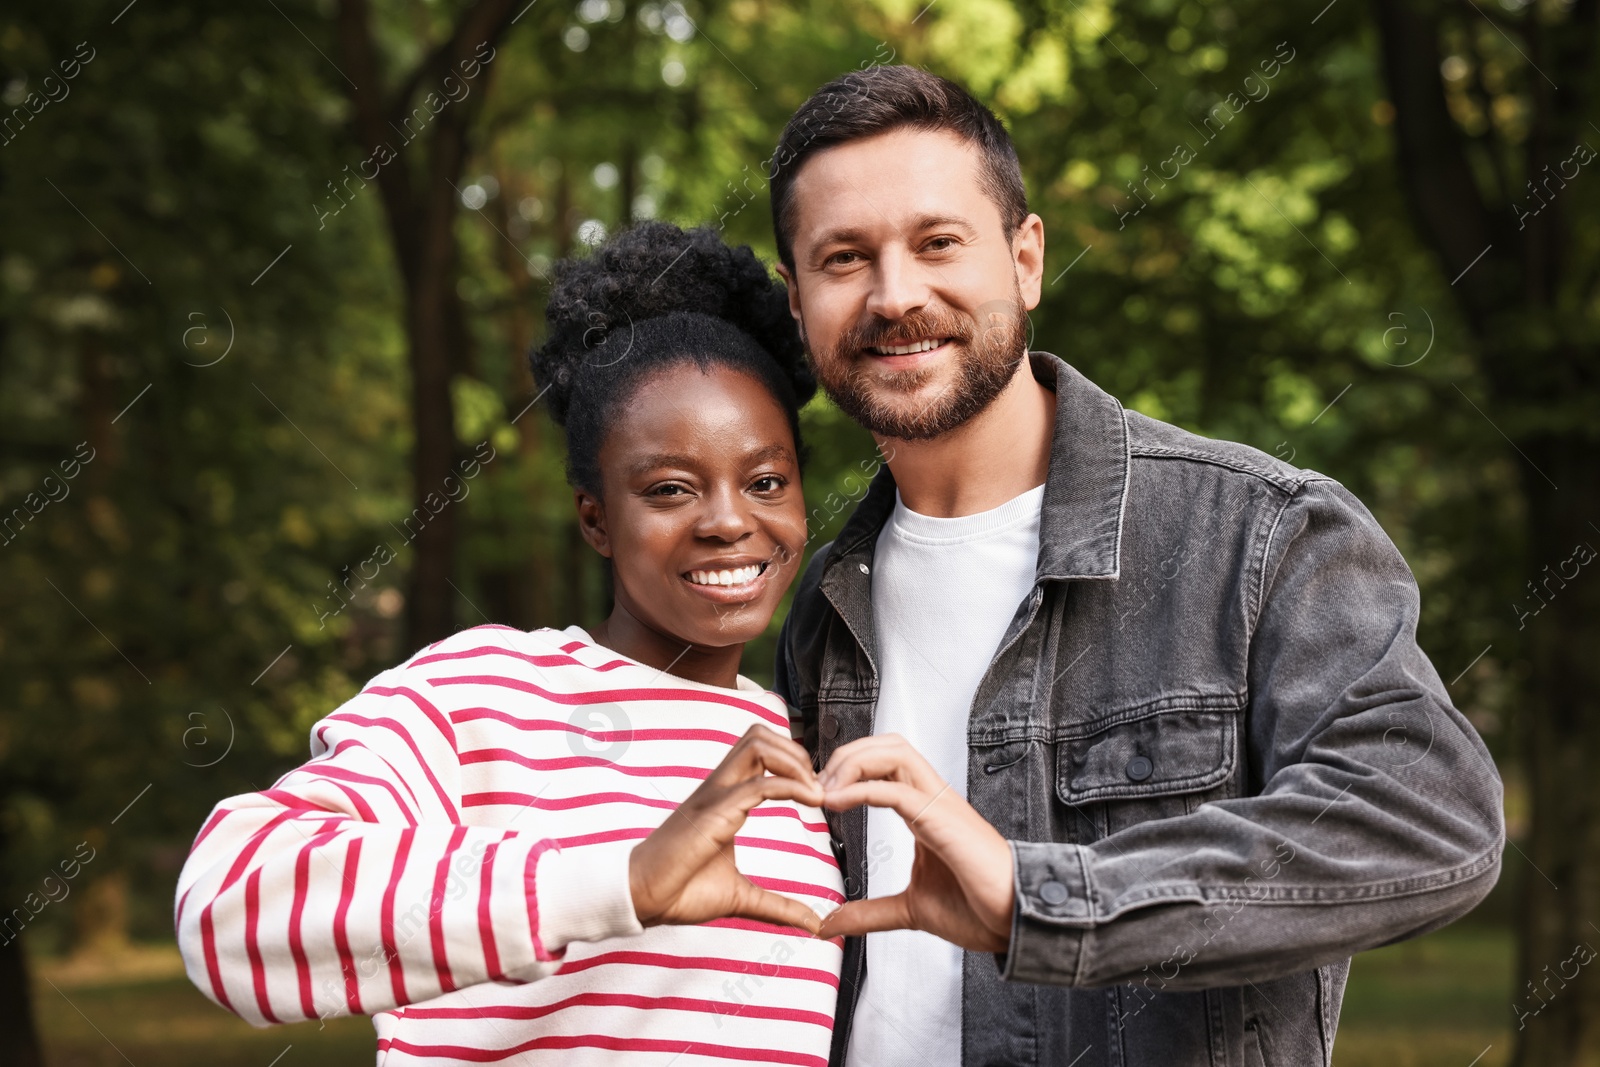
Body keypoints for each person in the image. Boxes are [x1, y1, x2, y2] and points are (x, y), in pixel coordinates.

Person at [768, 66, 1506, 1066]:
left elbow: (1429, 816)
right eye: (845, 258)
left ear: (1025, 259)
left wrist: (1050, 897)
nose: (896, 294)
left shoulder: (1253, 534)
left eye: (938, 242)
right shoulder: (820, 599)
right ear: (797, 300)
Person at [174, 222, 844, 1064]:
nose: (727, 521)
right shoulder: (484, 693)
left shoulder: (813, 746)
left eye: (765, 481)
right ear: (596, 518)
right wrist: (620, 882)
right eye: (670, 488)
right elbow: (227, 903)